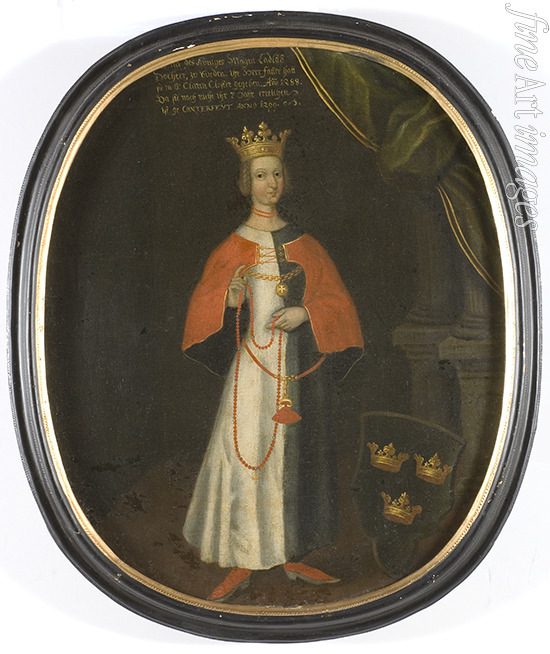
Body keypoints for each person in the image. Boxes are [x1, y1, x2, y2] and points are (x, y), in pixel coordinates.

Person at [181, 122, 364, 601]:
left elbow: (338, 303)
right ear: (247, 182)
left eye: (277, 174)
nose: (271, 183)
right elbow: (205, 306)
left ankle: (293, 553)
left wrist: (306, 313)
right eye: (261, 175)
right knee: (246, 452)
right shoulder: (233, 245)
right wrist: (230, 297)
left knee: (297, 458)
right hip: (252, 369)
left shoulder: (305, 243)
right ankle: (243, 558)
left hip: (297, 371)